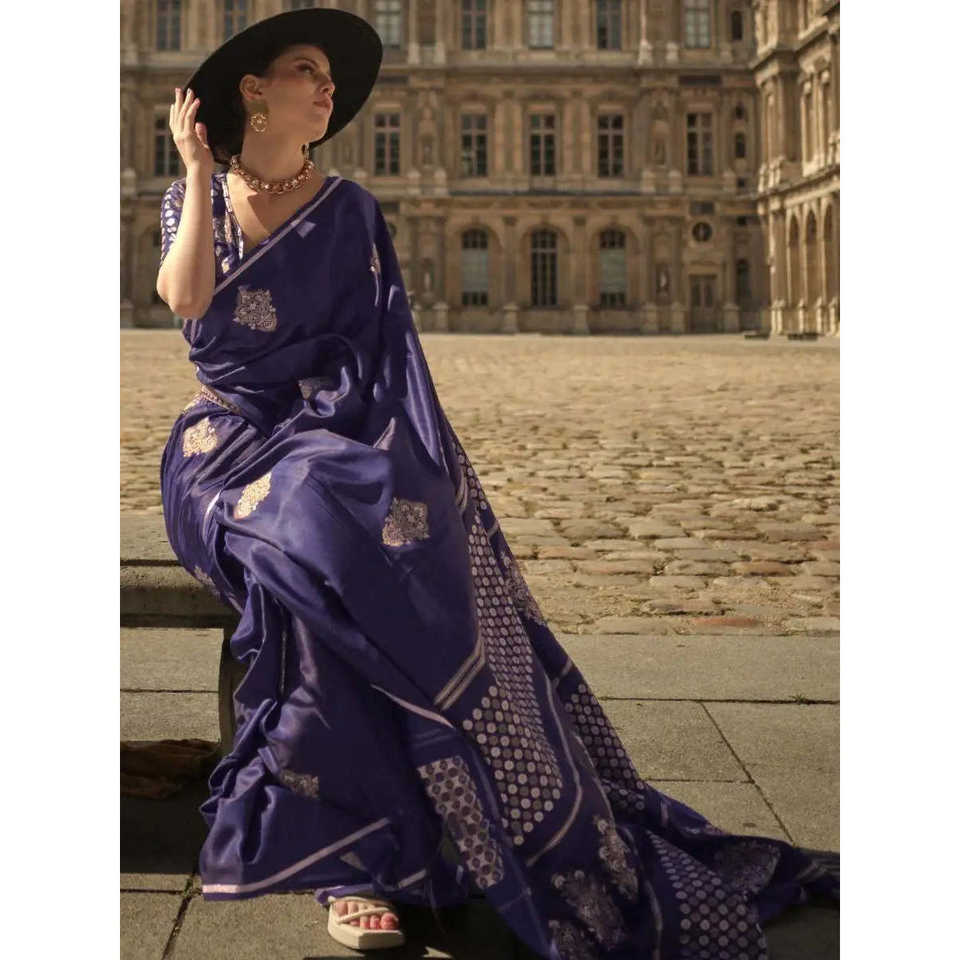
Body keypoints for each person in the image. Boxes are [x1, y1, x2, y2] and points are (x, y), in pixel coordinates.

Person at [155, 9, 838, 958]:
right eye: (307, 70)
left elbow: (382, 359)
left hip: (329, 436)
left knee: (355, 538)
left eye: (331, 80)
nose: (328, 90)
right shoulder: (194, 195)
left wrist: (390, 450)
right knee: (324, 534)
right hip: (225, 446)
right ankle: (358, 856)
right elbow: (187, 302)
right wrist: (196, 170)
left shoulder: (348, 208)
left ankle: (379, 844)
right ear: (252, 91)